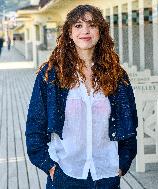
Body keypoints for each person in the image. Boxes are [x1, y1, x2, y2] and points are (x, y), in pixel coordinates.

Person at [26, 4, 138, 189]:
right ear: (69, 33)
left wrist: (122, 164)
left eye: (92, 25)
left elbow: (130, 123)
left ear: (100, 31)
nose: (85, 31)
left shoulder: (116, 75)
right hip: (65, 173)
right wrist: (49, 166)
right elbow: (35, 123)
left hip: (106, 173)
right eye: (78, 26)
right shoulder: (52, 75)